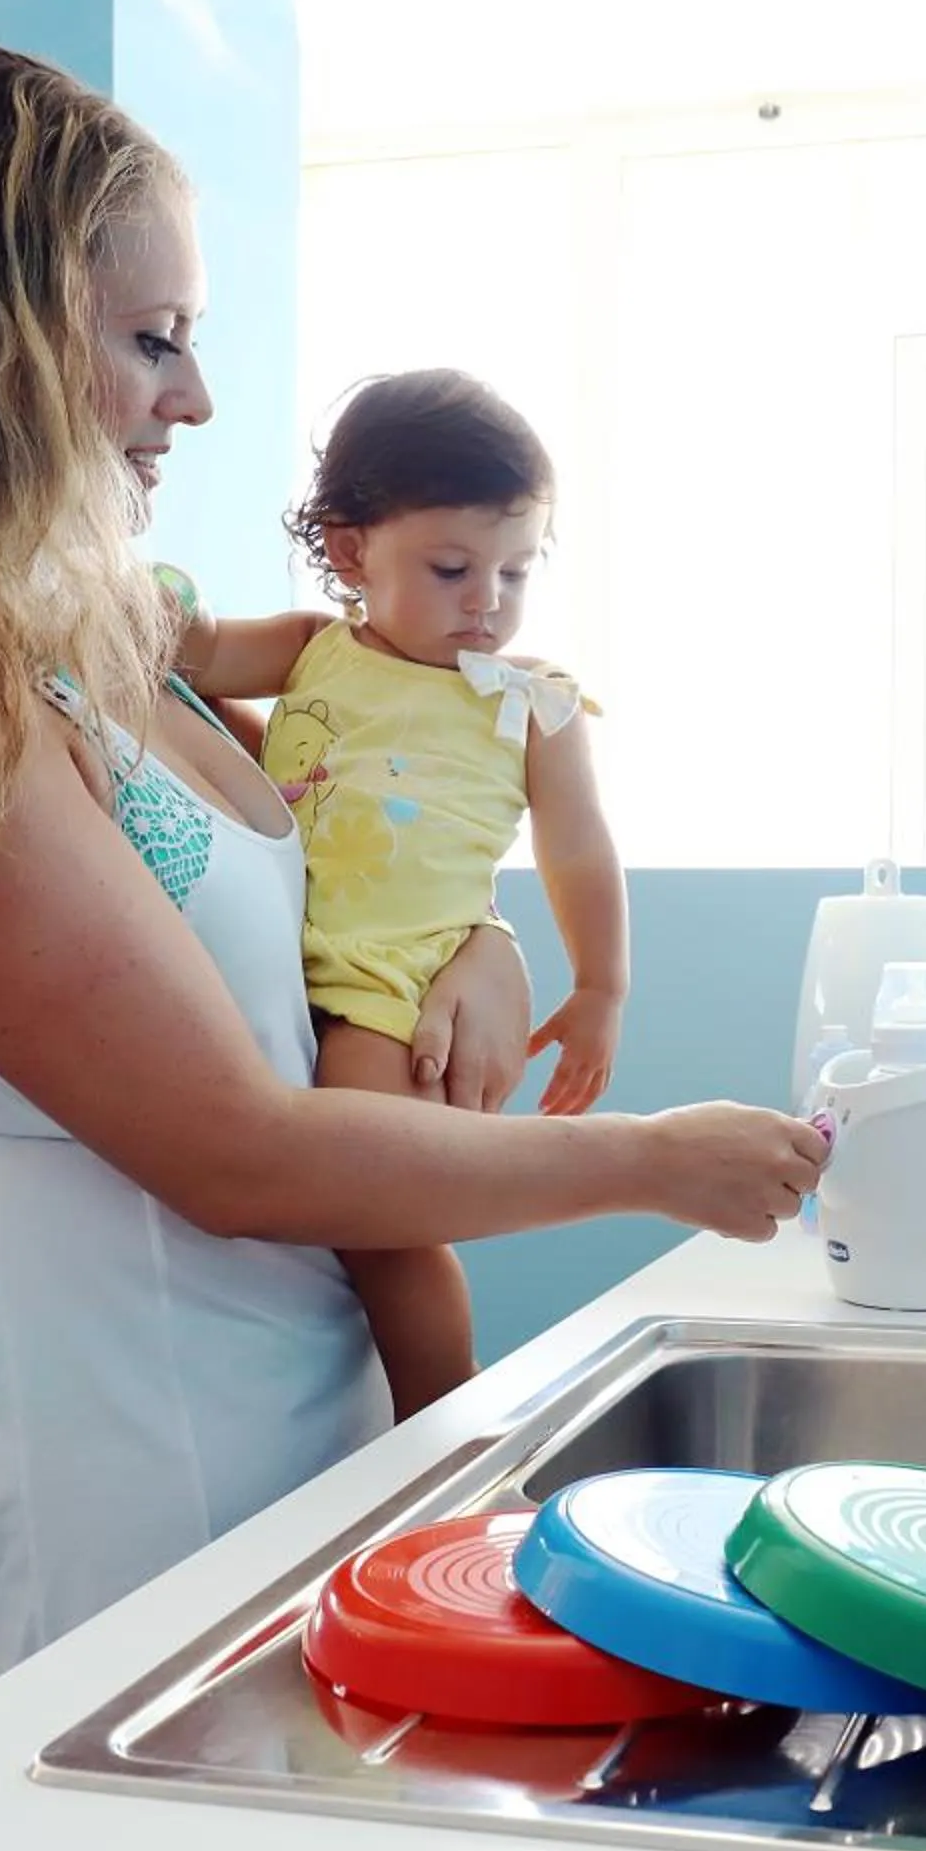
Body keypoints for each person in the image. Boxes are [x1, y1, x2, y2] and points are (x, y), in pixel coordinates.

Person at [0, 44, 824, 1692]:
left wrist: (473, 936)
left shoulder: (102, 633)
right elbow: (240, 1154)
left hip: (293, 1364)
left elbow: (326, 881)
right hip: (128, 1424)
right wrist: (650, 1163)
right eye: (152, 341)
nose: (193, 398)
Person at [165, 370, 613, 1424]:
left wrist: (602, 985)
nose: (487, 602)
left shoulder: (530, 701)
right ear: (350, 549)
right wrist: (155, 594)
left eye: (516, 571)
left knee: (386, 1220)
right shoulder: (313, 646)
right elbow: (188, 651)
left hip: (391, 977)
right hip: (279, 963)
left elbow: (580, 851)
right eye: (453, 567)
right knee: (313, 1199)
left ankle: (437, 1415)